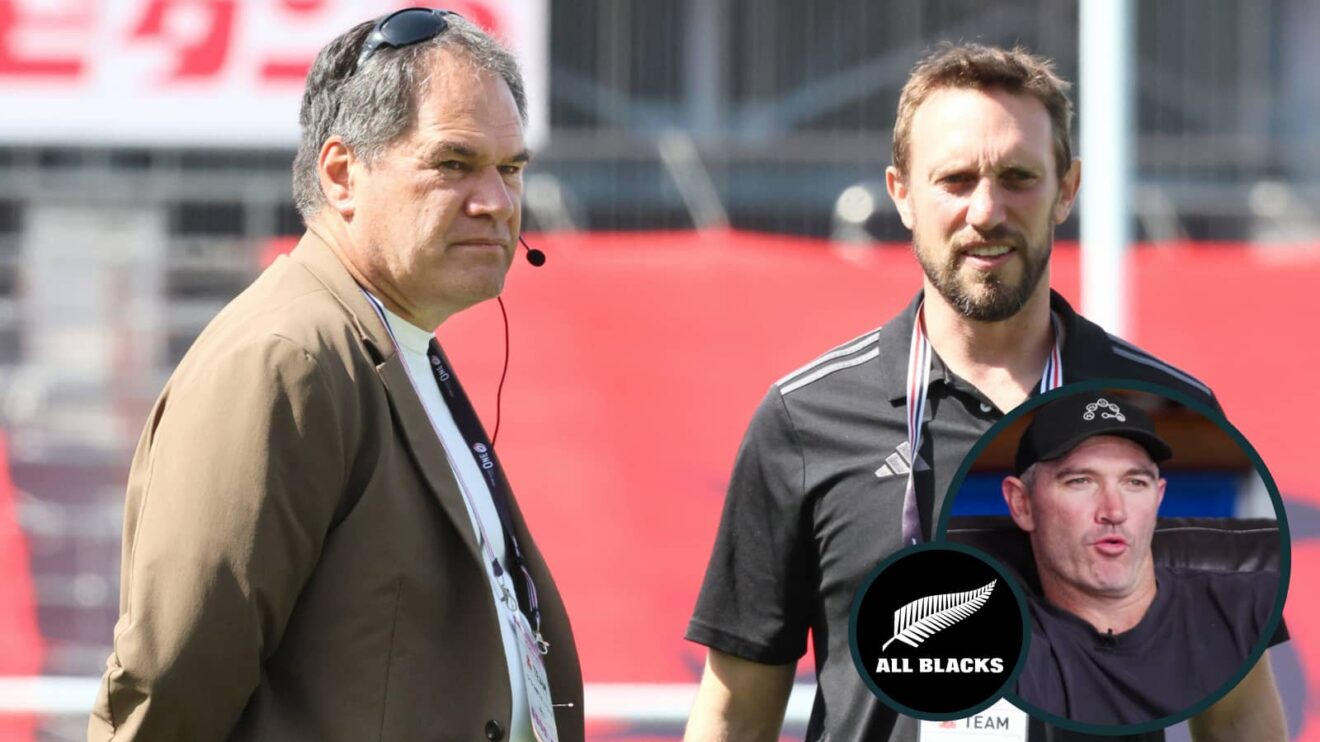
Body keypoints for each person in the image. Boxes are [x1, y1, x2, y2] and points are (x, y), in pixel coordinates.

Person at [683, 43, 1254, 742]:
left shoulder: (1176, 419)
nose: (986, 211)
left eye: (1018, 177)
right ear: (900, 193)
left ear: (1067, 189)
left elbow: (1239, 712)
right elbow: (736, 711)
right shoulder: (804, 420)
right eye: (955, 179)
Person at [88, 9, 582, 742]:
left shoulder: (385, 339)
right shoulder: (288, 358)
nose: (497, 204)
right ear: (342, 174)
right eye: (453, 164)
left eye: (510, 169)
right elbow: (171, 683)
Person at [1002, 393, 1287, 735]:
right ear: (1022, 505)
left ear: (1159, 497)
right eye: (1080, 481)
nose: (1114, 511)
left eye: (1135, 482)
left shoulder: (1242, 608)